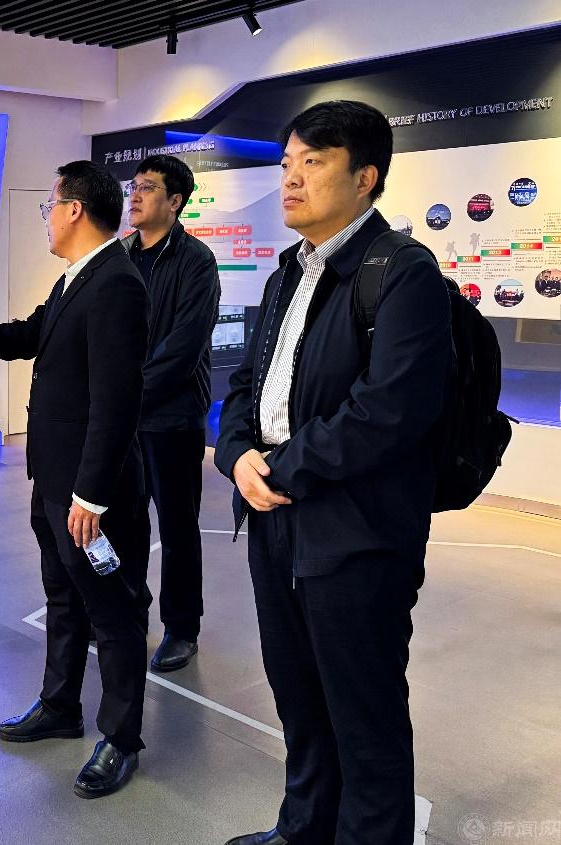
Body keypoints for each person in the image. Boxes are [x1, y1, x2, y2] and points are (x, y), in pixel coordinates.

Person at [214, 101, 451, 845]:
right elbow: (246, 384)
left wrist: (282, 466)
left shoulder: (402, 272)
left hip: (357, 532)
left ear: (365, 177)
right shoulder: (287, 272)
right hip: (275, 518)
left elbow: (388, 411)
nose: (290, 178)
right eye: (287, 163)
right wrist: (236, 454)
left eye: (312, 162)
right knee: (298, 695)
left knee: (363, 712)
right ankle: (303, 828)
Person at [0, 160, 151, 799]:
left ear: (75, 209)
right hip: (54, 478)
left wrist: (91, 495)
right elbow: (33, 336)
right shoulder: (77, 277)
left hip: (90, 492)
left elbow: (116, 403)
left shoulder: (117, 285)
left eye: (50, 205)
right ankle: (60, 706)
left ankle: (120, 738)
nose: (46, 217)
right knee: (63, 597)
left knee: (113, 611)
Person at [119, 154, 221, 672]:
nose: (135, 196)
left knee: (178, 528)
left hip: (173, 417)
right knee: (124, 523)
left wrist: (125, 394)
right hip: (124, 418)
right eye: (133, 187)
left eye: (148, 188)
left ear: (175, 201)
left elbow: (183, 348)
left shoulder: (196, 261)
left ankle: (182, 628)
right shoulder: (120, 255)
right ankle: (128, 613)